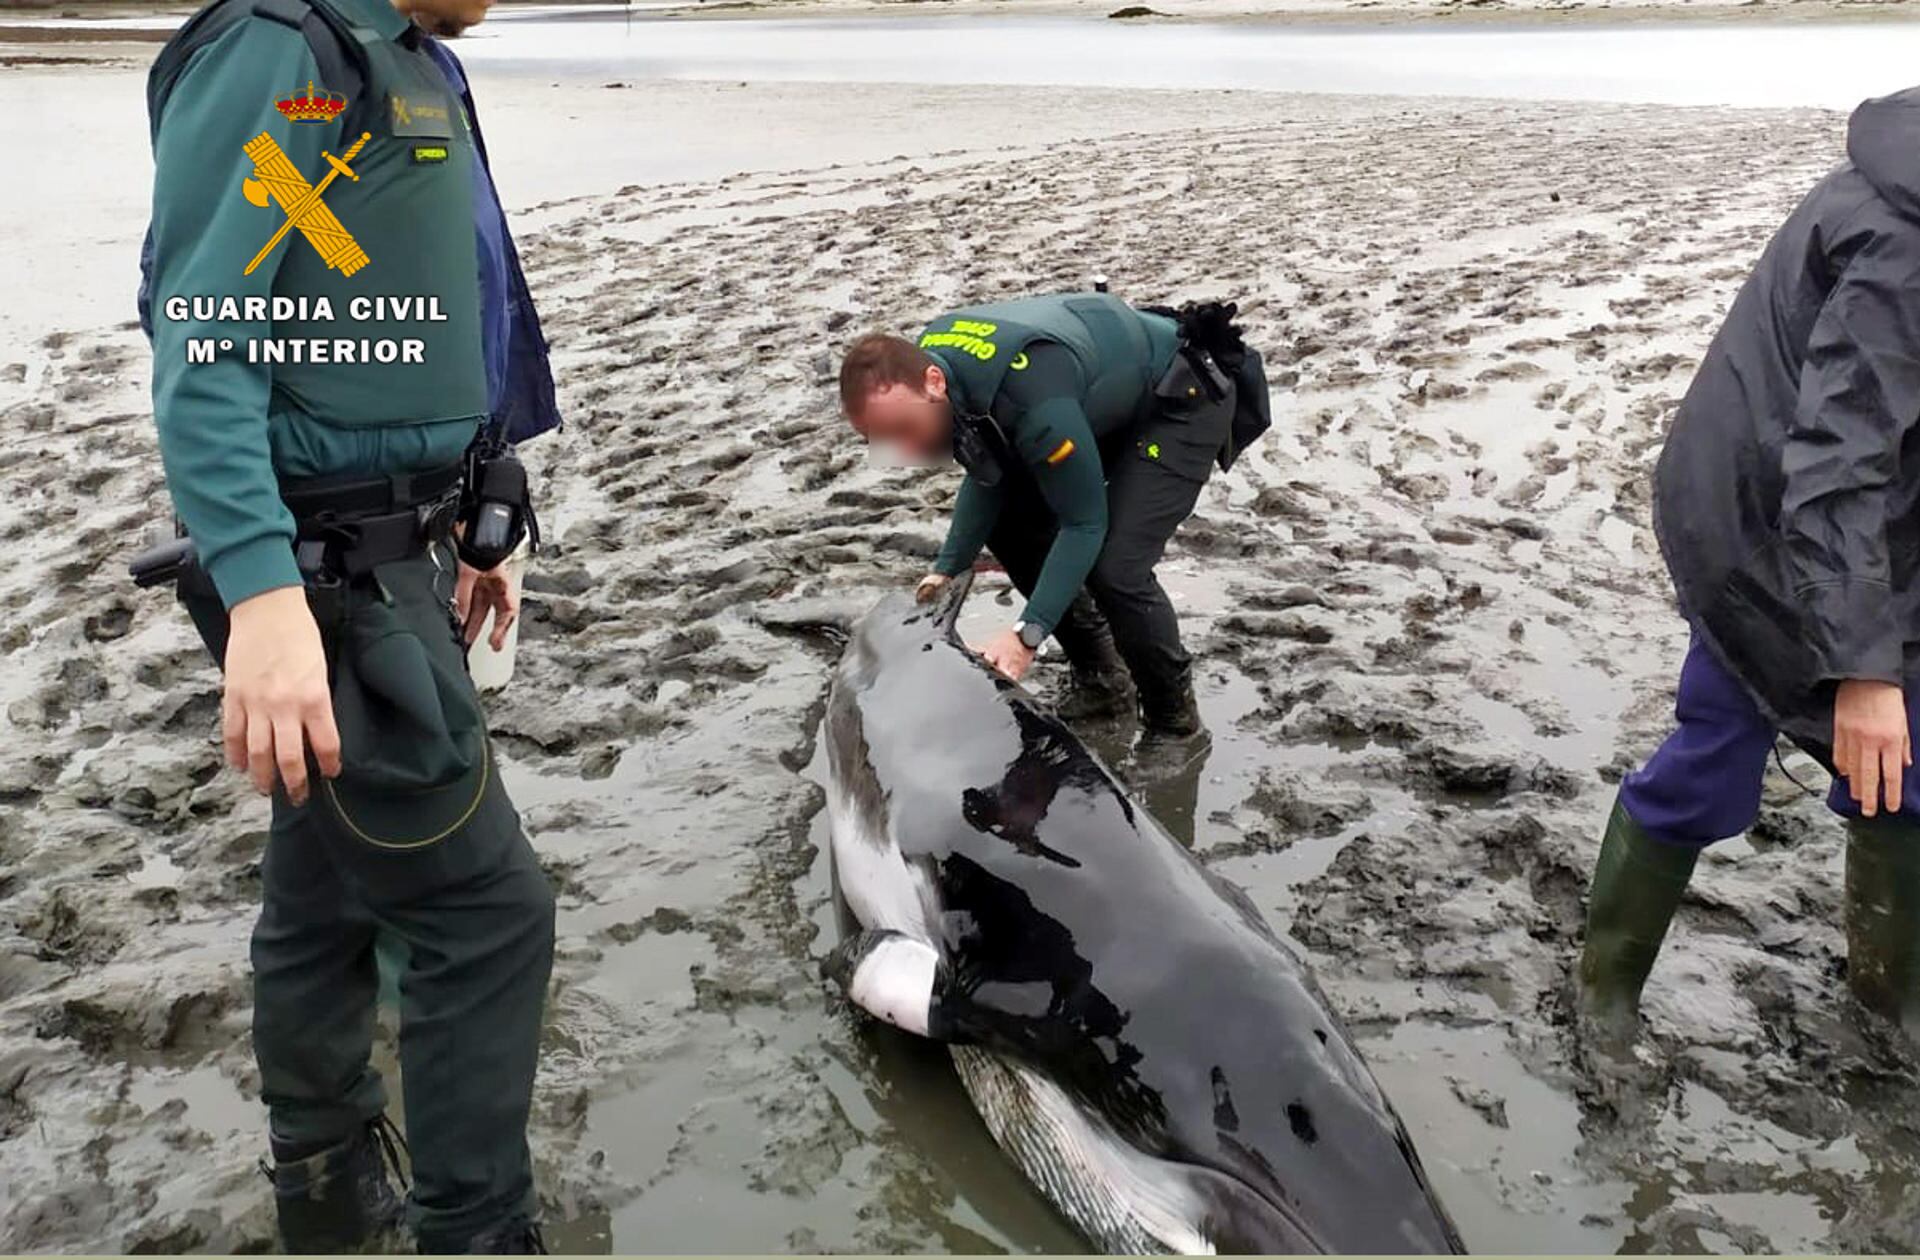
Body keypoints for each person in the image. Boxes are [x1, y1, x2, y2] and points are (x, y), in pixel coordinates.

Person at [140, 0, 562, 1245]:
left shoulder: (414, 59)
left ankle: (322, 1180)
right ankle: (479, 1231)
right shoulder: (289, 50)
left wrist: (488, 501)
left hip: (403, 546)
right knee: (489, 913)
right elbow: (204, 334)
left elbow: (447, 295)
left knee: (324, 893)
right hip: (329, 577)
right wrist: (265, 597)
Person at [1579, 88, 1920, 1043]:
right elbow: (1838, 465)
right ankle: (1602, 998)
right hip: (1763, 522)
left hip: (1875, 519)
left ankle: (1890, 1005)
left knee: (1908, 766)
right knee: (1715, 763)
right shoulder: (1904, 245)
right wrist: (1863, 670)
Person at [838, 292, 1268, 752]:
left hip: (1180, 400)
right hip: (1098, 399)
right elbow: (989, 476)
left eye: (905, 429)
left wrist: (1028, 634)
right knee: (1007, 523)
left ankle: (1177, 728)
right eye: (883, 440)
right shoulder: (938, 374)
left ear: (934, 381)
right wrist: (947, 565)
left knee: (1116, 568)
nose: (904, 451)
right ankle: (1103, 677)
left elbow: (1084, 524)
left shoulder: (1034, 407)